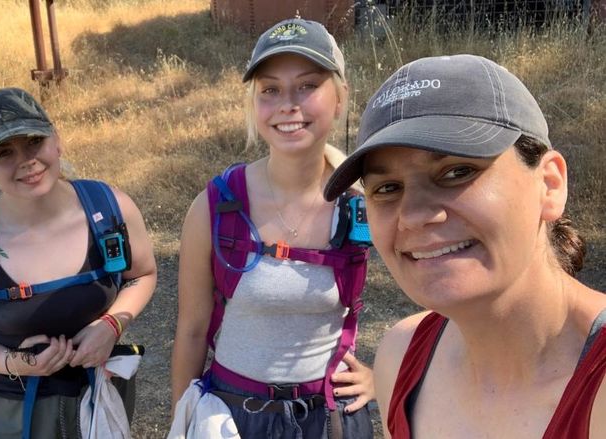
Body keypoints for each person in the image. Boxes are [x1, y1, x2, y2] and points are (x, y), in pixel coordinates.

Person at [323, 54, 606, 438]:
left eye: (457, 172)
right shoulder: (401, 356)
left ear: (549, 185)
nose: (415, 215)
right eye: (387, 188)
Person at [170, 18, 375, 438]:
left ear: (340, 99)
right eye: (270, 90)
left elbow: (445, 287)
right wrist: (182, 421)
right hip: (233, 417)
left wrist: (382, 376)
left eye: (307, 85)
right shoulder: (216, 206)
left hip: (330, 418)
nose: (288, 104)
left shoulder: (363, 204)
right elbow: (191, 332)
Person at [0, 87, 157, 438]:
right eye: (3, 152)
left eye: (34, 141)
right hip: (13, 416)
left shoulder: (111, 210)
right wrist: (15, 364)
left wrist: (110, 325)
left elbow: (142, 274)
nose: (26, 161)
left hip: (100, 401)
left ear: (57, 141)